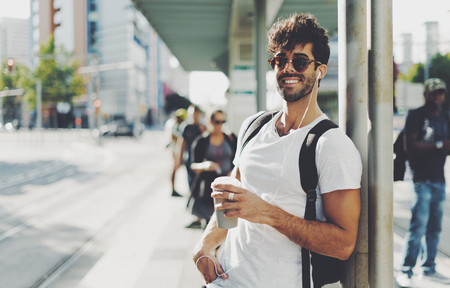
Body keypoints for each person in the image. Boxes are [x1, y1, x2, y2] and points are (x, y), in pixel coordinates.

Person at [192, 13, 362, 288]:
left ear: (320, 70)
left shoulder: (332, 145)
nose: (288, 68)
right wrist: (204, 245)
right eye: (281, 60)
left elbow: (343, 244)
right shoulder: (253, 127)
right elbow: (230, 202)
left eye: (300, 61)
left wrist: (267, 213)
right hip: (225, 281)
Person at [396, 78, 450, 287]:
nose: (437, 97)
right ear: (426, 94)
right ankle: (406, 270)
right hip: (419, 179)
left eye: (441, 93)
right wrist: (439, 144)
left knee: (435, 228)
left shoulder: (445, 116)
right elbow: (411, 147)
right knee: (418, 227)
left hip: (439, 180)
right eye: (433, 93)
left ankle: (428, 267)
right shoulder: (416, 115)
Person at [186, 110, 237, 229]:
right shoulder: (201, 141)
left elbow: (240, 160)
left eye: (223, 122)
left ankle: (218, 247)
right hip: (209, 189)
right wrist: (204, 166)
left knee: (227, 223)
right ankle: (212, 247)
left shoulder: (230, 138)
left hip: (228, 187)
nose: (220, 125)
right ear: (210, 121)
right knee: (209, 224)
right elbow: (193, 165)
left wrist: (233, 172)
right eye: (217, 122)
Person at [177, 105, 206, 191]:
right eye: (192, 114)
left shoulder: (201, 127)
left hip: (200, 157)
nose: (194, 116)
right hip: (189, 157)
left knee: (199, 179)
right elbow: (182, 143)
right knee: (190, 179)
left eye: (196, 114)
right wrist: (180, 158)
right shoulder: (186, 127)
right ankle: (192, 195)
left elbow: (206, 141)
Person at [165, 108, 187, 197]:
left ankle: (173, 188)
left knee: (174, 169)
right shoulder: (174, 124)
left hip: (175, 149)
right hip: (174, 150)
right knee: (174, 168)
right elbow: (173, 137)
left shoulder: (172, 123)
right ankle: (173, 189)